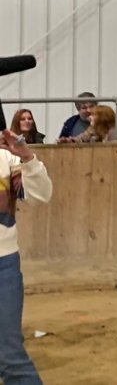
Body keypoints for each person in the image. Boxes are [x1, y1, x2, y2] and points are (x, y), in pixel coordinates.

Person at [0, 129, 51, 384]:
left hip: (3, 265)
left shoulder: (8, 159)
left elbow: (40, 196)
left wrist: (28, 158)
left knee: (9, 355)